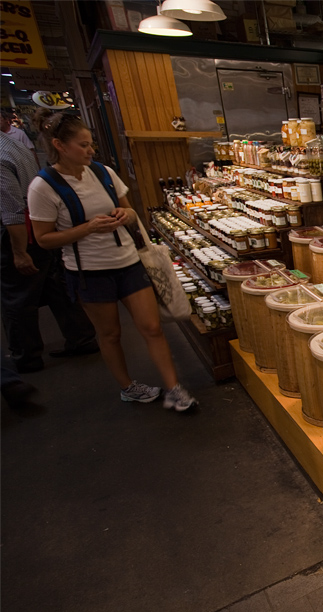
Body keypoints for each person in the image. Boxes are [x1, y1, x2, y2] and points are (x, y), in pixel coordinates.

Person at [27, 110, 197, 411]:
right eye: (82, 145)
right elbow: (42, 239)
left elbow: (130, 211)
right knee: (110, 334)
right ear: (59, 145)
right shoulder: (43, 187)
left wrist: (125, 215)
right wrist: (87, 228)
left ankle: (174, 388)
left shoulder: (104, 173)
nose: (90, 150)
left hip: (128, 262)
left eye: (91, 143)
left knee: (152, 327)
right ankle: (127, 387)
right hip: (88, 272)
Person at [1, 126, 98, 374]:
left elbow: (11, 210)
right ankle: (82, 337)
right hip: (37, 223)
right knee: (56, 286)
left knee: (18, 297)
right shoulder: (12, 144)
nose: (90, 150)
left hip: (20, 232)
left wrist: (19, 251)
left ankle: (26, 357)